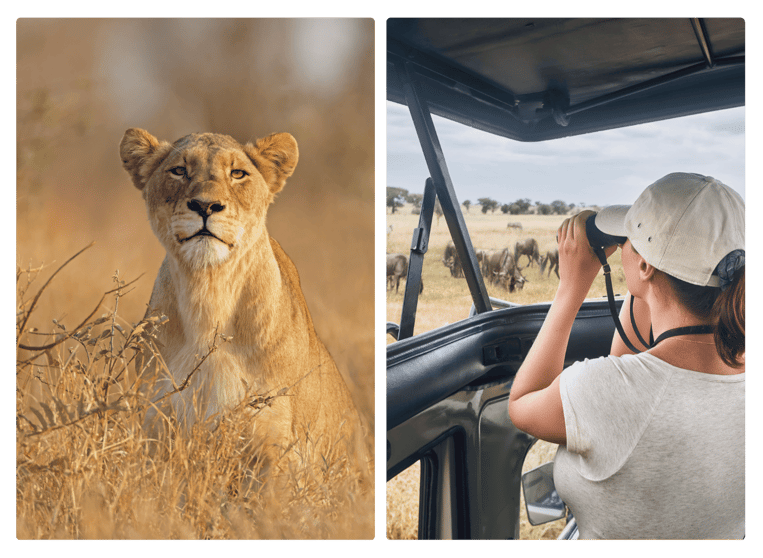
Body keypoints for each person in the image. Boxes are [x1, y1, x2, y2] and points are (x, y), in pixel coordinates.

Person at [508, 173, 746, 540]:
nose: (623, 247)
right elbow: (634, 369)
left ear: (647, 266)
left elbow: (522, 404)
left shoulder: (605, 390)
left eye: (630, 241)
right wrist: (646, 281)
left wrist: (571, 288)